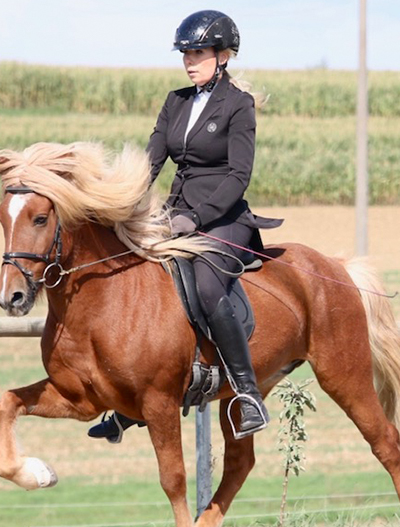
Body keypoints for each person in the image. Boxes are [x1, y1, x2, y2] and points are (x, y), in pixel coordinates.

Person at [88, 9, 281, 444]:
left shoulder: (238, 105)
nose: (189, 61)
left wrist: (196, 216)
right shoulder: (175, 101)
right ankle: (133, 402)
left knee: (209, 289)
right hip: (173, 212)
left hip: (224, 218)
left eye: (198, 53)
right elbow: (151, 160)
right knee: (136, 278)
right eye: (185, 54)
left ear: (223, 55)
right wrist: (119, 202)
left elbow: (238, 176)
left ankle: (248, 395)